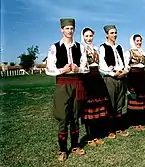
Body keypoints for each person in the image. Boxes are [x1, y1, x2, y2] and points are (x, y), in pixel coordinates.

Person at [45, 18, 88, 161]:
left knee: (75, 116)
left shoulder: (80, 47)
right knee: (63, 117)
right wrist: (61, 69)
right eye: (67, 28)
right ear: (61, 29)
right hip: (63, 84)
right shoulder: (55, 47)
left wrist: (78, 68)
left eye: (71, 28)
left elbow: (86, 67)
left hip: (76, 82)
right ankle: (63, 149)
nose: (69, 31)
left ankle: (75, 145)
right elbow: (49, 68)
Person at [80, 27, 110, 146]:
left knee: (98, 107)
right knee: (89, 108)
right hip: (87, 78)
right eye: (86, 36)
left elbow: (101, 64)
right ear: (83, 37)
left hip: (97, 77)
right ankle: (90, 137)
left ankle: (97, 135)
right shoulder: (81, 48)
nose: (89, 38)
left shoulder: (96, 49)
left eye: (90, 36)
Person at [99, 25, 129, 139]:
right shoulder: (103, 47)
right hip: (110, 78)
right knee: (110, 104)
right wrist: (113, 73)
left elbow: (125, 62)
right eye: (111, 33)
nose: (114, 35)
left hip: (121, 77)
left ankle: (119, 127)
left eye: (115, 33)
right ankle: (110, 129)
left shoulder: (119, 48)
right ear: (107, 34)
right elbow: (101, 66)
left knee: (120, 104)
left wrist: (125, 71)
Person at [124, 34, 145, 131]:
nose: (138, 43)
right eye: (137, 41)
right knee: (134, 98)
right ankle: (134, 122)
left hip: (142, 76)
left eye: (140, 41)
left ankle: (141, 121)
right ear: (133, 41)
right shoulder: (128, 53)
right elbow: (126, 65)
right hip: (133, 76)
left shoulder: (143, 52)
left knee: (142, 98)